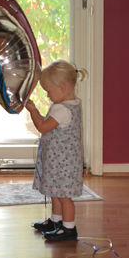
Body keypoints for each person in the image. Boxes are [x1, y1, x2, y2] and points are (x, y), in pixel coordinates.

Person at [25, 59, 87, 241]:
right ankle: (55, 221)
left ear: (62, 87)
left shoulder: (63, 110)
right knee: (56, 192)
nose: (48, 96)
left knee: (64, 197)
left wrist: (33, 111)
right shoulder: (69, 104)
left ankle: (69, 229)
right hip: (60, 160)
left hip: (63, 163)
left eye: (48, 91)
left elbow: (43, 127)